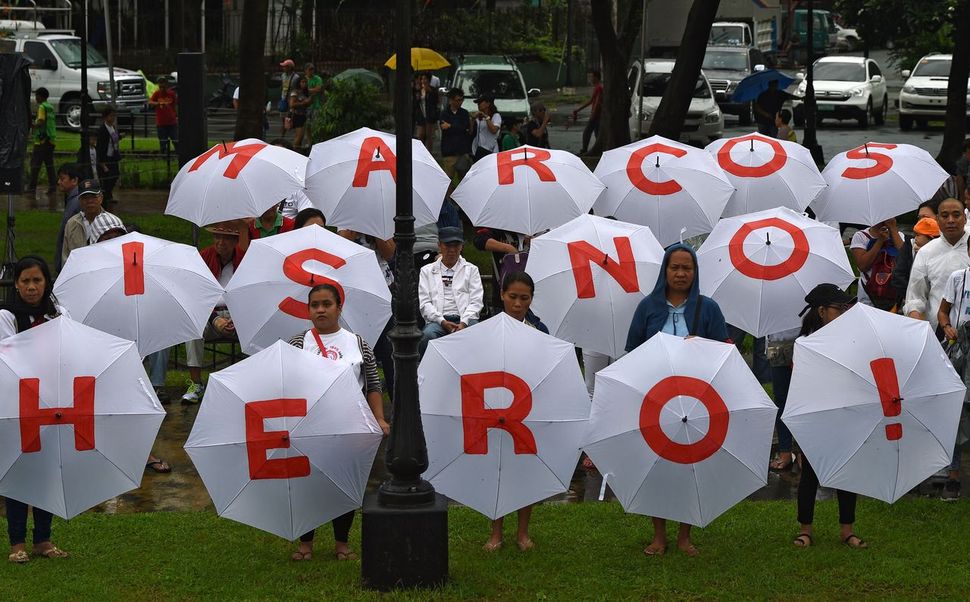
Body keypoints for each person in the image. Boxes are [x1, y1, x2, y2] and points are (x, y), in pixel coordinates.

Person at [625, 243, 729, 557]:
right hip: (656, 400)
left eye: (687, 268)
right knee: (658, 464)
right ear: (665, 271)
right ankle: (659, 535)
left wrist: (701, 346)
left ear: (695, 272)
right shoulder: (648, 307)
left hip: (696, 401)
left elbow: (725, 353)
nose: (681, 273)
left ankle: (685, 535)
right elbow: (633, 352)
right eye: (675, 268)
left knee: (689, 465)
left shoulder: (708, 308)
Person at [288, 283, 390, 561]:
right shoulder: (297, 344)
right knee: (308, 484)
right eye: (314, 305)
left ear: (339, 308)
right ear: (308, 310)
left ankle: (341, 544)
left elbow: (372, 385)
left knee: (345, 484)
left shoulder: (358, 343)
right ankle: (305, 544)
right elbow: (285, 384)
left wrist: (379, 418)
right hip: (307, 427)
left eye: (326, 304)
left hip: (349, 427)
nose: (320, 310)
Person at [1, 256, 71, 563]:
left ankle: (43, 538)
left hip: (53, 401)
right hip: (17, 401)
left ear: (46, 283)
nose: (31, 287)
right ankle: (17, 543)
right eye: (26, 281)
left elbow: (69, 350)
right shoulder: (6, 315)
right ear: (16, 284)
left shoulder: (60, 313)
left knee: (47, 469)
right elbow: (10, 355)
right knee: (18, 468)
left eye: (37, 281)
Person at [792, 283, 867, 549]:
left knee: (847, 473)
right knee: (810, 475)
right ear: (822, 311)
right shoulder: (804, 344)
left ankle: (847, 530)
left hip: (845, 416)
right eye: (839, 308)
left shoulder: (851, 341)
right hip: (813, 418)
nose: (845, 312)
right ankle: (805, 529)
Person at [484, 271, 547, 552]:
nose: (518, 304)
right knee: (497, 469)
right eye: (513, 297)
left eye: (524, 298)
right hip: (494, 409)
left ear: (532, 299)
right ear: (502, 295)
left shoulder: (540, 331)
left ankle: (523, 532)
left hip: (528, 410)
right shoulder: (486, 329)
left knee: (524, 470)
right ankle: (496, 532)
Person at [182, 221, 251, 403]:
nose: (221, 242)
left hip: (240, 317)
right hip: (209, 315)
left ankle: (250, 385)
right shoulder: (203, 257)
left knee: (258, 327)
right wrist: (214, 319)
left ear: (236, 241)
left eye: (227, 238)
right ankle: (196, 384)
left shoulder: (245, 260)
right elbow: (195, 296)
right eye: (217, 237)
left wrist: (238, 318)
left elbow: (250, 296)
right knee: (193, 329)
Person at [339, 229, 396, 402]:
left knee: (389, 349)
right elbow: (341, 247)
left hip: (381, 289)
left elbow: (389, 254)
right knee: (357, 348)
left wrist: (373, 227)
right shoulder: (345, 218)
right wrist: (356, 227)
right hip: (353, 289)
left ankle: (398, 403)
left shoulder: (380, 219)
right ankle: (359, 401)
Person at [936, 241, 970, 501]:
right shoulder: (959, 278)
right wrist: (947, 327)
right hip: (961, 352)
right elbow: (943, 311)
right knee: (956, 411)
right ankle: (953, 475)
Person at [905, 197, 970, 333]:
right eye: (945, 216)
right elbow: (915, 298)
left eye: (956, 215)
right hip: (937, 332)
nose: (951, 220)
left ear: (965, 218)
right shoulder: (926, 252)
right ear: (938, 220)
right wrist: (920, 329)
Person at [418, 227, 484, 354]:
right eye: (448, 245)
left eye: (456, 245)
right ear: (439, 246)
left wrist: (464, 323)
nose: (452, 250)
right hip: (438, 321)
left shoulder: (471, 270)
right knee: (427, 336)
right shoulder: (426, 271)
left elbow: (476, 302)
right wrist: (442, 321)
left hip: (466, 319)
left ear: (461, 247)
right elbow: (425, 304)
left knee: (477, 335)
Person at [62, 179, 122, 266]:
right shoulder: (72, 224)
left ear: (101, 198)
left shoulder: (114, 222)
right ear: (79, 200)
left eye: (93, 197)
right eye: (85, 198)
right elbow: (66, 256)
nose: (89, 201)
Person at [850, 219, 904, 311]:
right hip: (868, 294)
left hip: (892, 293)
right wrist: (880, 241)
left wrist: (893, 229)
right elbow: (863, 266)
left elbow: (905, 259)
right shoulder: (860, 236)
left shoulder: (899, 235)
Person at [892, 210, 939, 311]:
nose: (914, 238)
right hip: (913, 302)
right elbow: (898, 276)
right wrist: (910, 297)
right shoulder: (910, 247)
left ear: (930, 237)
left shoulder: (941, 254)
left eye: (918, 235)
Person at [26, 87, 56, 199]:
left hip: (42, 141)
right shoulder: (50, 107)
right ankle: (53, 187)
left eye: (36, 96)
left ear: (41, 96)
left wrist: (32, 125)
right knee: (49, 165)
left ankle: (31, 188)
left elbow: (41, 121)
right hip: (51, 139)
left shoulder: (42, 107)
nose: (35, 98)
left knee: (35, 165)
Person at [438, 88, 473, 183]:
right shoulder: (444, 114)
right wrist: (457, 128)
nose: (460, 102)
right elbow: (444, 127)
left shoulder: (464, 113)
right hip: (449, 152)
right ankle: (448, 197)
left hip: (462, 151)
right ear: (451, 100)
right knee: (447, 180)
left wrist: (450, 126)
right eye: (458, 100)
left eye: (461, 100)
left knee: (464, 179)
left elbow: (464, 127)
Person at [53, 163, 82, 273]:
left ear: (74, 180)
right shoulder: (73, 199)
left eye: (62, 179)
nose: (59, 182)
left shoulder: (76, 202)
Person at [96, 106, 123, 207]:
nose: (113, 118)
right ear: (105, 117)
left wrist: (119, 137)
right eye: (111, 116)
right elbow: (101, 146)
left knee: (115, 175)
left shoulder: (113, 128)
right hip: (105, 157)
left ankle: (108, 194)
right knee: (107, 178)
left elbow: (114, 139)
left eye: (114, 116)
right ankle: (106, 196)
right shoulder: (102, 130)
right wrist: (102, 162)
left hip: (113, 156)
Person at [573, 70, 602, 155]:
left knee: (587, 132)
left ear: (596, 77)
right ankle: (597, 150)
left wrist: (593, 114)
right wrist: (578, 110)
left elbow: (597, 103)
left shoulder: (599, 88)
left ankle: (584, 149)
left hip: (597, 115)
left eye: (592, 77)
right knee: (597, 133)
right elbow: (591, 101)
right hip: (597, 115)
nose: (591, 79)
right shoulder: (597, 87)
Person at [148, 76, 178, 154]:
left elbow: (175, 105)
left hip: (172, 122)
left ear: (166, 84)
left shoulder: (171, 93)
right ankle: (164, 157)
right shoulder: (157, 94)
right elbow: (150, 102)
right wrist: (158, 103)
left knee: (176, 140)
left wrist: (176, 115)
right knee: (163, 142)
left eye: (163, 83)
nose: (162, 86)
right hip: (161, 123)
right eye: (160, 84)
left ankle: (178, 155)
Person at [413, 73, 439, 152]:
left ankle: (429, 153)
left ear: (429, 80)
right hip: (421, 115)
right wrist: (417, 95)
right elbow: (415, 103)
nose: (423, 81)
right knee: (420, 135)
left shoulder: (432, 90)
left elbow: (435, 102)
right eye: (422, 79)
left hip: (429, 115)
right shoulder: (418, 90)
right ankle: (421, 152)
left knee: (429, 136)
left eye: (425, 79)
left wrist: (430, 92)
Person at [471, 95, 501, 161]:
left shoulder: (496, 116)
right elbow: (470, 131)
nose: (478, 105)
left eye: (480, 102)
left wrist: (486, 117)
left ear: (488, 104)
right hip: (478, 151)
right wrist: (472, 119)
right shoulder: (478, 117)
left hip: (491, 151)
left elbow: (494, 130)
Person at [278, 59, 301, 136]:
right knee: (283, 119)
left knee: (292, 119)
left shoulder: (296, 77)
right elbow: (282, 87)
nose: (283, 68)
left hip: (292, 100)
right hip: (284, 99)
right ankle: (282, 137)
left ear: (290, 67)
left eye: (285, 66)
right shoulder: (283, 76)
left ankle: (296, 136)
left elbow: (298, 89)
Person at [289, 76, 311, 150]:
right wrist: (303, 102)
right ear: (299, 83)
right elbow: (292, 104)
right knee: (299, 136)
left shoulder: (305, 92)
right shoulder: (295, 92)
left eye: (305, 82)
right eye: (302, 82)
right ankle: (293, 152)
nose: (304, 84)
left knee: (301, 136)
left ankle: (298, 151)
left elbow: (307, 104)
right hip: (297, 115)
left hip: (303, 115)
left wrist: (309, 102)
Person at [304, 62, 324, 144]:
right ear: (306, 70)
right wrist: (312, 90)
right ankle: (309, 142)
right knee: (307, 125)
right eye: (310, 69)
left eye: (313, 69)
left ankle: (316, 141)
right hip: (305, 106)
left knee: (315, 125)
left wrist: (307, 90)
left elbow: (318, 89)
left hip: (316, 105)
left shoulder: (318, 79)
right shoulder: (304, 79)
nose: (312, 71)